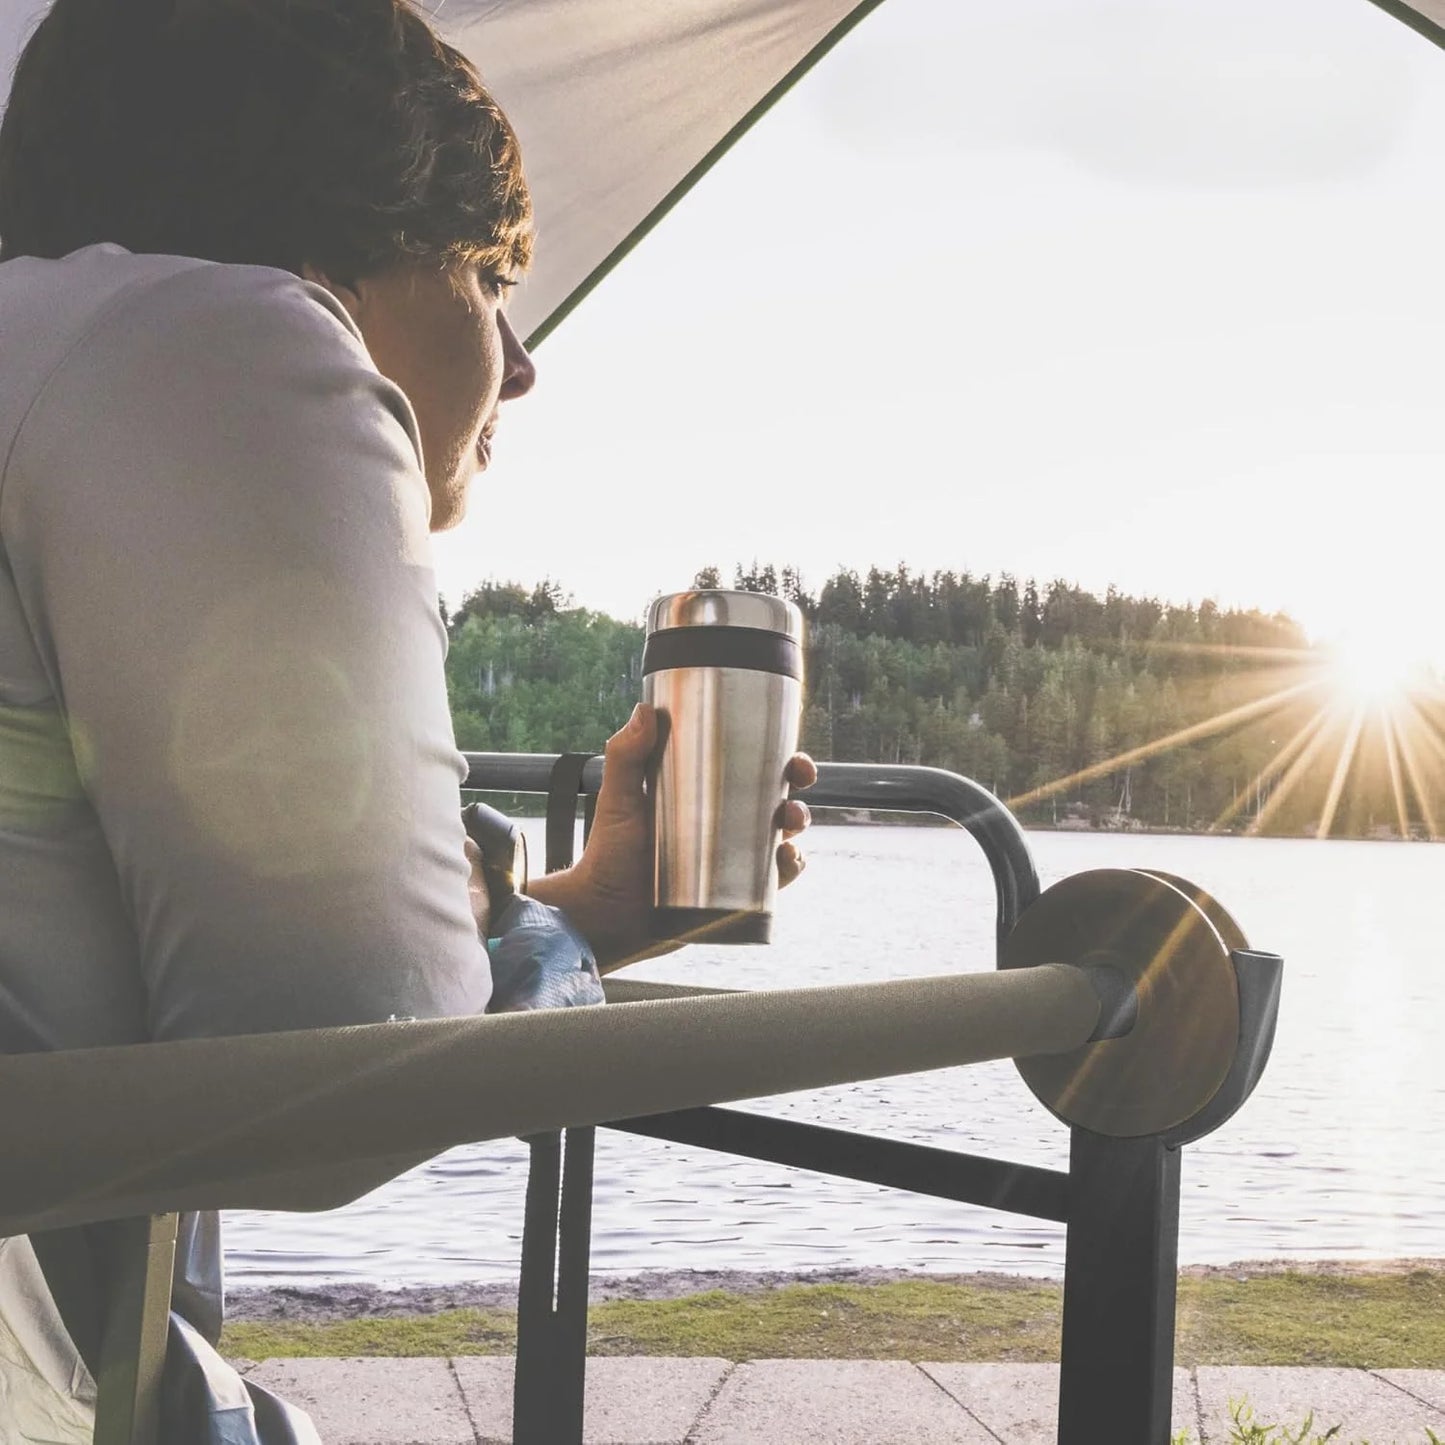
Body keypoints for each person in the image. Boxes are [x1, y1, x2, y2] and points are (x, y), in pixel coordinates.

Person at [0, 0, 813, 1437]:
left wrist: (580, 911)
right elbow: (338, 1087)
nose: (519, 356)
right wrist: (547, 940)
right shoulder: (216, 336)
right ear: (352, 239)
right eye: (489, 274)